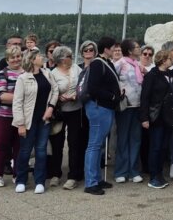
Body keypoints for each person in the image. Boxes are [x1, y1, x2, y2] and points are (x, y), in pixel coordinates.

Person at [12, 48, 57, 194]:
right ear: (32, 60)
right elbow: (17, 102)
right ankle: (21, 180)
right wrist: (20, 124)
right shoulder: (23, 78)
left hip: (43, 119)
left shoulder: (47, 73)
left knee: (41, 151)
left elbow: (55, 90)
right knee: (25, 151)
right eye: (38, 56)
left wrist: (50, 107)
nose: (41, 57)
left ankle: (40, 181)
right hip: (28, 120)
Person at [82, 36, 121, 195]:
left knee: (98, 145)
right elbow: (92, 88)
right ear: (106, 48)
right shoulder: (98, 64)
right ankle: (91, 183)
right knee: (94, 145)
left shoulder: (106, 63)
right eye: (113, 47)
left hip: (104, 108)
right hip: (99, 108)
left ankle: (96, 179)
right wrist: (112, 96)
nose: (115, 50)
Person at [140, 49, 173, 189]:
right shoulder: (152, 75)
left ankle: (159, 174)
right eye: (170, 58)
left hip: (169, 117)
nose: (172, 60)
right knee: (155, 147)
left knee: (163, 147)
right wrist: (144, 118)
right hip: (156, 117)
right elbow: (145, 97)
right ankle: (153, 176)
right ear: (163, 60)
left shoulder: (171, 74)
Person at [47, 46, 84, 189]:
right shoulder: (53, 73)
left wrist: (76, 95)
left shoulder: (76, 69)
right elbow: (50, 91)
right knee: (57, 143)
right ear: (62, 59)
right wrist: (58, 97)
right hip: (59, 112)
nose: (72, 57)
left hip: (76, 109)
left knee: (74, 143)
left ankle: (73, 176)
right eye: (69, 56)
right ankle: (56, 174)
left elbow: (82, 85)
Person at [0, 45, 22, 188]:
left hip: (22, 117)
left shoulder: (27, 73)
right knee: (1, 145)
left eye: (18, 56)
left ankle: (17, 174)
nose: (16, 59)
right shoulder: (3, 74)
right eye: (12, 57)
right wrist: (20, 97)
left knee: (19, 147)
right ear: (7, 60)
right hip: (4, 116)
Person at [113, 39, 145, 184]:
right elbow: (112, 81)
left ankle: (134, 170)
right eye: (137, 47)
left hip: (138, 106)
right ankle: (121, 170)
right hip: (125, 106)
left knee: (136, 138)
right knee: (123, 139)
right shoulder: (120, 63)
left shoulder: (138, 65)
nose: (140, 49)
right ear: (130, 50)